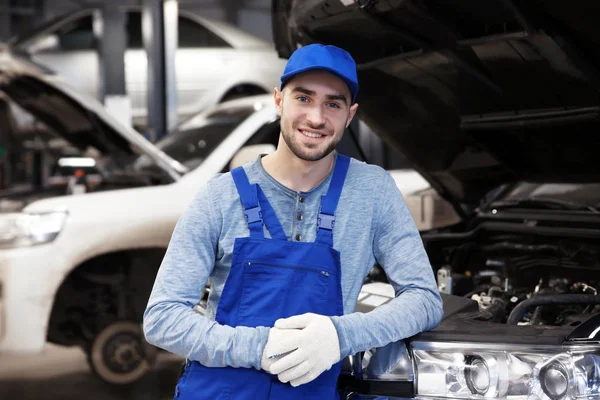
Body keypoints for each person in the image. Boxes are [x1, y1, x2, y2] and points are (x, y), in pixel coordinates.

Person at [143, 43, 443, 400]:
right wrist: (260, 346)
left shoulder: (373, 191)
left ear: (350, 115)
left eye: (333, 103)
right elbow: (162, 318)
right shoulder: (219, 197)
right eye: (303, 98)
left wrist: (340, 336)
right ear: (278, 100)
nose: (316, 118)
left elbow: (425, 299)